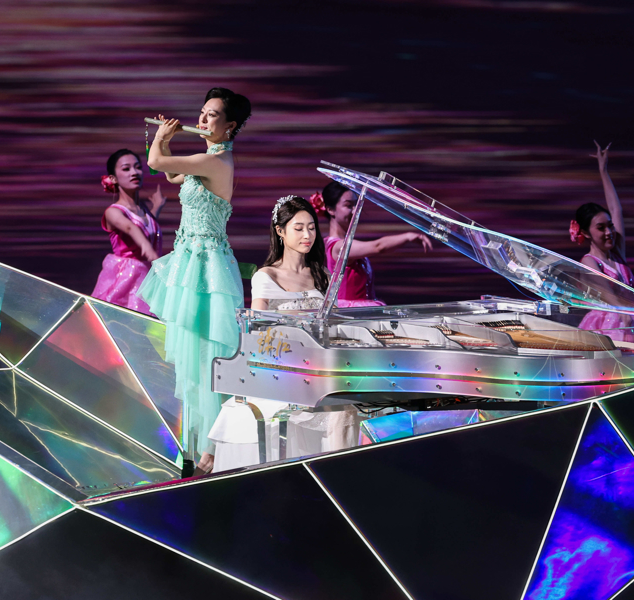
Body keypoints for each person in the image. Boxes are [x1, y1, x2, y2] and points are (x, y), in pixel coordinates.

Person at [139, 87, 252, 473]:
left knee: (208, 357)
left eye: (212, 115)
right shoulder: (207, 159)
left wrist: (160, 138)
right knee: (192, 358)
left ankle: (213, 452)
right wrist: (167, 140)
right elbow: (173, 173)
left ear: (230, 126)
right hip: (192, 264)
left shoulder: (217, 161)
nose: (202, 119)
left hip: (208, 270)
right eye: (202, 112)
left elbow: (156, 162)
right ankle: (197, 449)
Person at [209, 196, 359, 472]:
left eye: (311, 228)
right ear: (280, 231)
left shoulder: (322, 275)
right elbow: (256, 333)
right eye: (298, 228)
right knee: (338, 408)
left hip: (318, 367)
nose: (307, 235)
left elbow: (334, 327)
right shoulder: (267, 276)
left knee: (348, 407)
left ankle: (339, 473)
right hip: (281, 368)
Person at [573, 142, 634, 341]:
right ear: (585, 233)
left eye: (610, 226)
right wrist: (621, 308)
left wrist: (603, 170)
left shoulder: (617, 254)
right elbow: (604, 289)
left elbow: (616, 210)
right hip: (608, 324)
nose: (609, 232)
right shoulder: (589, 261)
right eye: (601, 228)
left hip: (631, 320)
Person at [314, 181, 433, 307]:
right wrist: (407, 236)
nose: (355, 211)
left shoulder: (338, 244)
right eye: (348, 205)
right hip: (349, 312)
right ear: (330, 209)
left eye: (356, 205)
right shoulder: (338, 247)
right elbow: (378, 246)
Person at [91, 149, 166, 314]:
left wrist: (156, 208)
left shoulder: (144, 209)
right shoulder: (113, 212)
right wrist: (147, 248)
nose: (134, 172)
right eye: (126, 169)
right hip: (128, 278)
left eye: (138, 167)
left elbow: (144, 228)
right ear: (113, 178)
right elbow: (130, 227)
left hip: (148, 275)